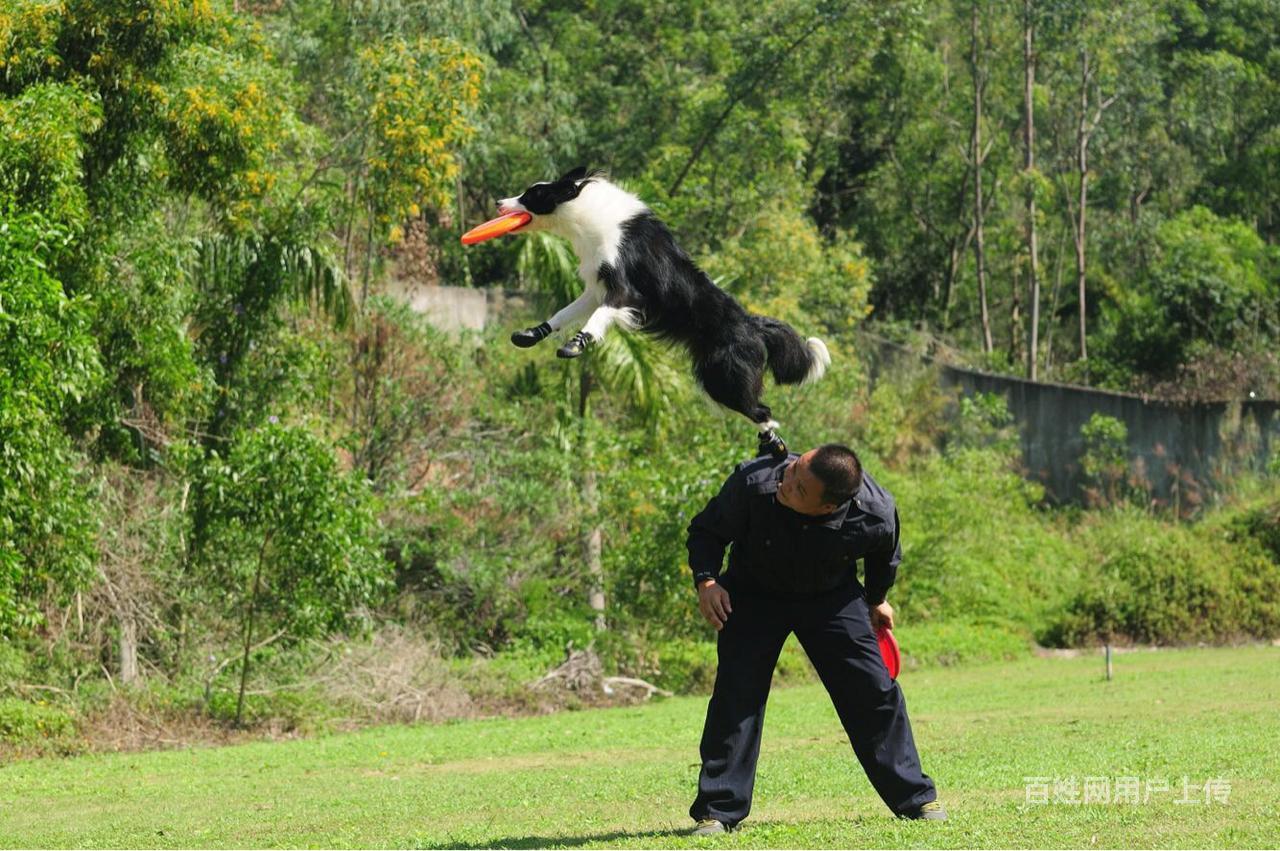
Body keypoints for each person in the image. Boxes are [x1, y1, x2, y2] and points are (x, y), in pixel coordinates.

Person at [685, 443, 944, 834]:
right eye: (793, 470)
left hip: (831, 598)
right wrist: (706, 581)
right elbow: (706, 530)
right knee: (737, 697)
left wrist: (877, 600)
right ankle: (717, 810)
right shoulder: (756, 481)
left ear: (827, 507)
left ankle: (915, 798)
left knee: (873, 691)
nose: (785, 482)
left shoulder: (875, 512)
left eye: (800, 488)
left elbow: (883, 555)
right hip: (754, 593)